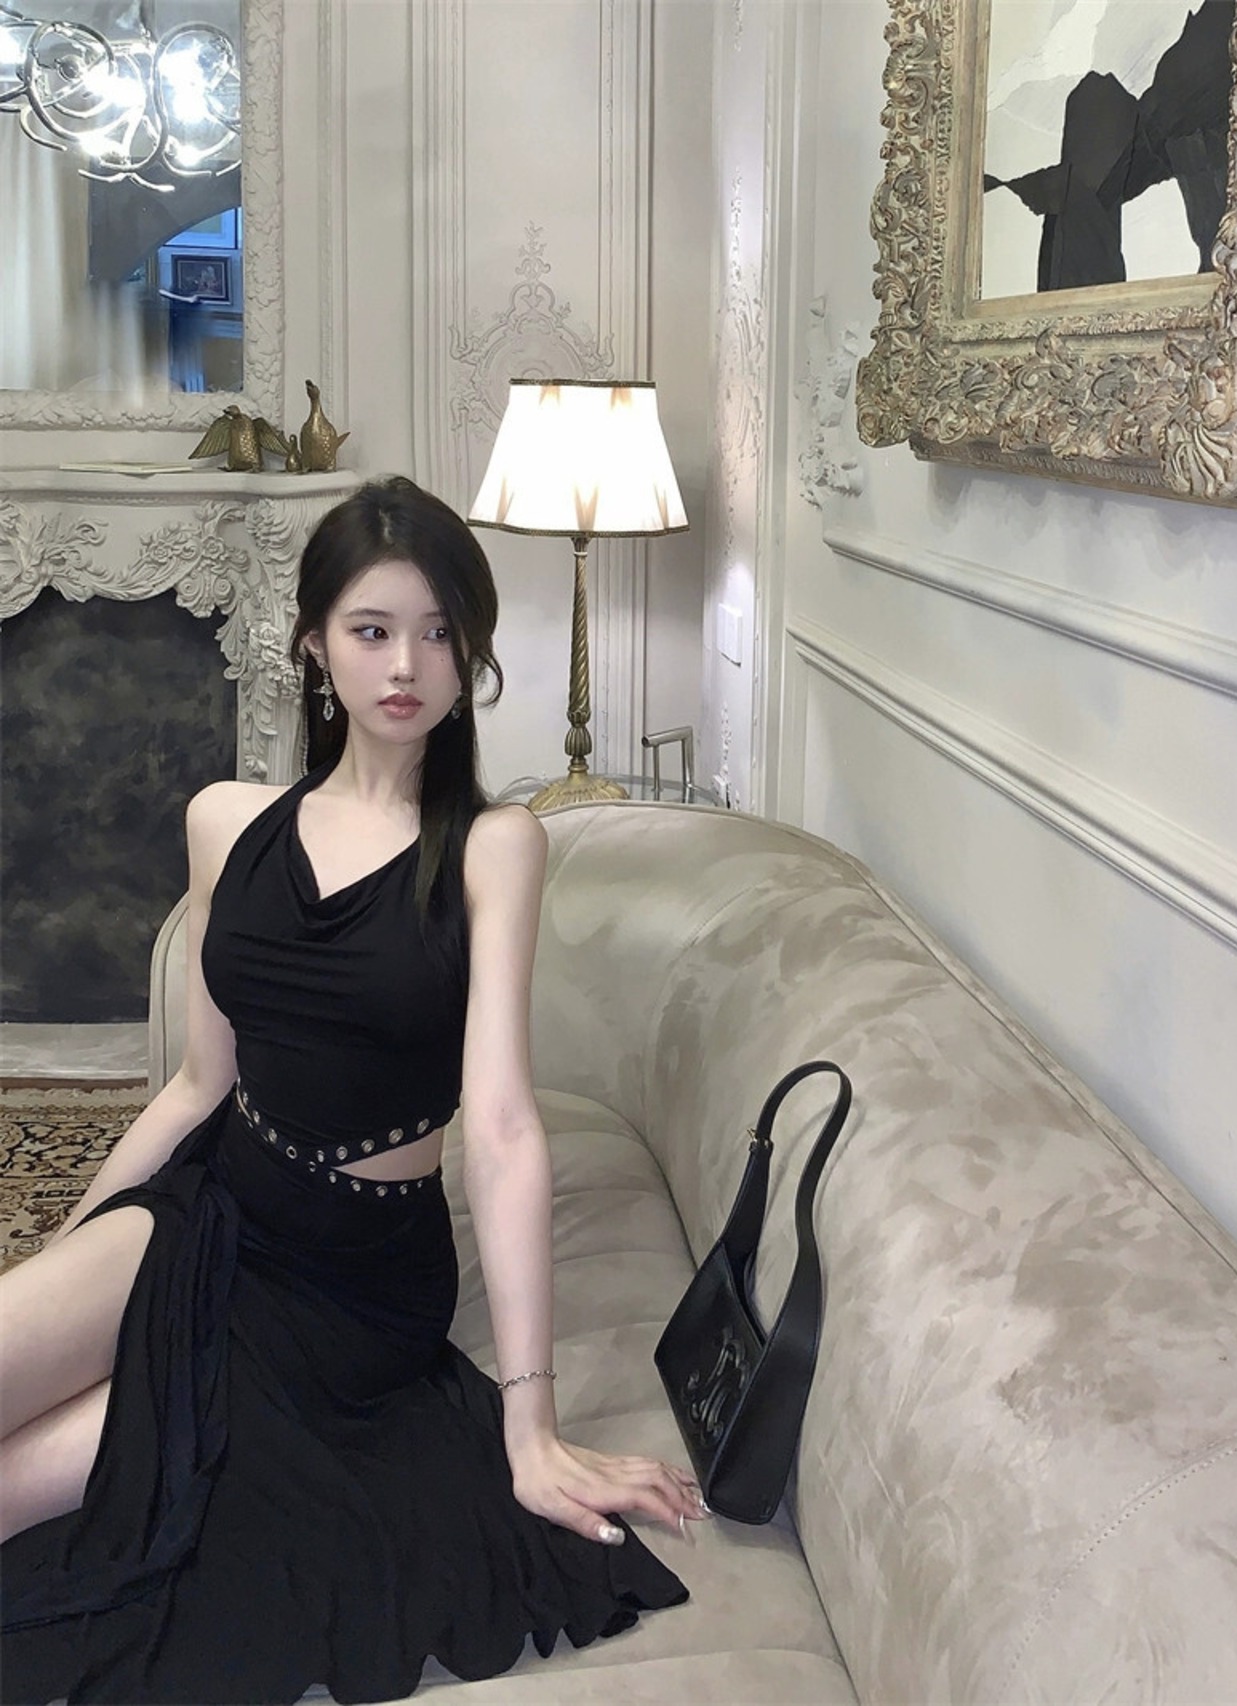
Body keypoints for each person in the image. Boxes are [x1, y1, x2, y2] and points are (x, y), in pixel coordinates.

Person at [0, 477, 701, 1704]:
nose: (407, 665)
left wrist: (529, 1425)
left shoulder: (493, 847)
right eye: (373, 629)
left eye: (438, 632)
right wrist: (70, 1260)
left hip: (350, 1289)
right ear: (316, 645)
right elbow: (195, 1086)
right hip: (216, 1206)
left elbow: (501, 1126)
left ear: (470, 655)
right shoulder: (226, 822)